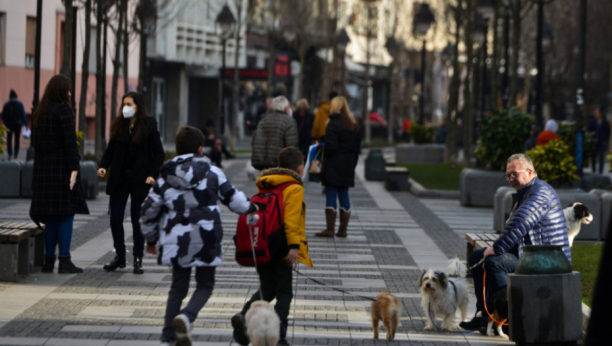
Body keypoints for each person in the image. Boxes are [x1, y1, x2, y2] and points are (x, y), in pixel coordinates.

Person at [140, 126, 257, 346]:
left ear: (177, 149)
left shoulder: (165, 176)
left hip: (177, 240)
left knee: (178, 288)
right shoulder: (213, 172)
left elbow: (148, 210)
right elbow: (235, 201)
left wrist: (151, 239)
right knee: (205, 285)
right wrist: (252, 207)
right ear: (201, 149)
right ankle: (187, 316)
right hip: (207, 238)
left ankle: (167, 337)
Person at [460, 153, 570, 332]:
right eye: (508, 175)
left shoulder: (541, 192)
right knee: (476, 257)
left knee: (494, 262)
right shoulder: (527, 191)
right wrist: (496, 248)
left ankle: (509, 318)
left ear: (529, 171)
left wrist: (497, 248)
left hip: (544, 260)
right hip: (529, 253)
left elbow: (521, 222)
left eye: (515, 174)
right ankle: (484, 315)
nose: (511, 178)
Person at [232, 147, 314, 346]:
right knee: (285, 292)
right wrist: (294, 247)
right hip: (281, 248)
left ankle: (244, 317)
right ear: (300, 168)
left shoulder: (266, 185)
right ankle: (280, 335)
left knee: (267, 289)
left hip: (262, 244)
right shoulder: (294, 188)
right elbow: (291, 220)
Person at [97, 92, 164, 274]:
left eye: (129, 104)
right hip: (120, 178)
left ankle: (137, 258)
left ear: (137, 106)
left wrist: (152, 174)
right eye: (123, 103)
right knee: (115, 218)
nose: (125, 107)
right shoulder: (120, 126)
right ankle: (120, 255)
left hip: (140, 179)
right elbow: (111, 150)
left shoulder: (149, 127)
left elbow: (159, 154)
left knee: (137, 219)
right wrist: (104, 166)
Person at [29, 74, 89, 274]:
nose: (70, 93)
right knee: (65, 214)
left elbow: (37, 144)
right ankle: (65, 260)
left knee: (51, 216)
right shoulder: (63, 110)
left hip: (44, 171)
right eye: (69, 90)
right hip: (62, 169)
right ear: (62, 91)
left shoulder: (41, 111)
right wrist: (74, 168)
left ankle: (48, 262)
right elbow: (70, 143)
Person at [315, 96, 361, 238]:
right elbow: (357, 147)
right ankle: (343, 229)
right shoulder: (353, 124)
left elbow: (331, 147)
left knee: (331, 193)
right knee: (344, 194)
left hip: (334, 164)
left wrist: (321, 147)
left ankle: (330, 229)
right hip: (348, 165)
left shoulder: (333, 123)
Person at [251, 95, 298, 170]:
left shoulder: (264, 120)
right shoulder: (289, 121)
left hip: (263, 164)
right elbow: (291, 145)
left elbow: (255, 141)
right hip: (281, 164)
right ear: (285, 108)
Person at [1, 89, 28, 160]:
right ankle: (16, 154)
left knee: (9, 139)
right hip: (17, 124)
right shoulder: (19, 104)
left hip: (9, 124)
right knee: (17, 139)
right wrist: (25, 123)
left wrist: (6, 123)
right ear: (16, 96)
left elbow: (3, 115)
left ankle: (10, 153)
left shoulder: (6, 105)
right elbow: (23, 114)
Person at [590, 107, 610, 174]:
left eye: (597, 113)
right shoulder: (592, 121)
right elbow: (589, 130)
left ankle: (600, 171)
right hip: (594, 141)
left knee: (601, 157)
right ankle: (593, 170)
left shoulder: (605, 122)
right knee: (593, 157)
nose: (596, 114)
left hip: (602, 142)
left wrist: (606, 140)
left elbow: (607, 132)